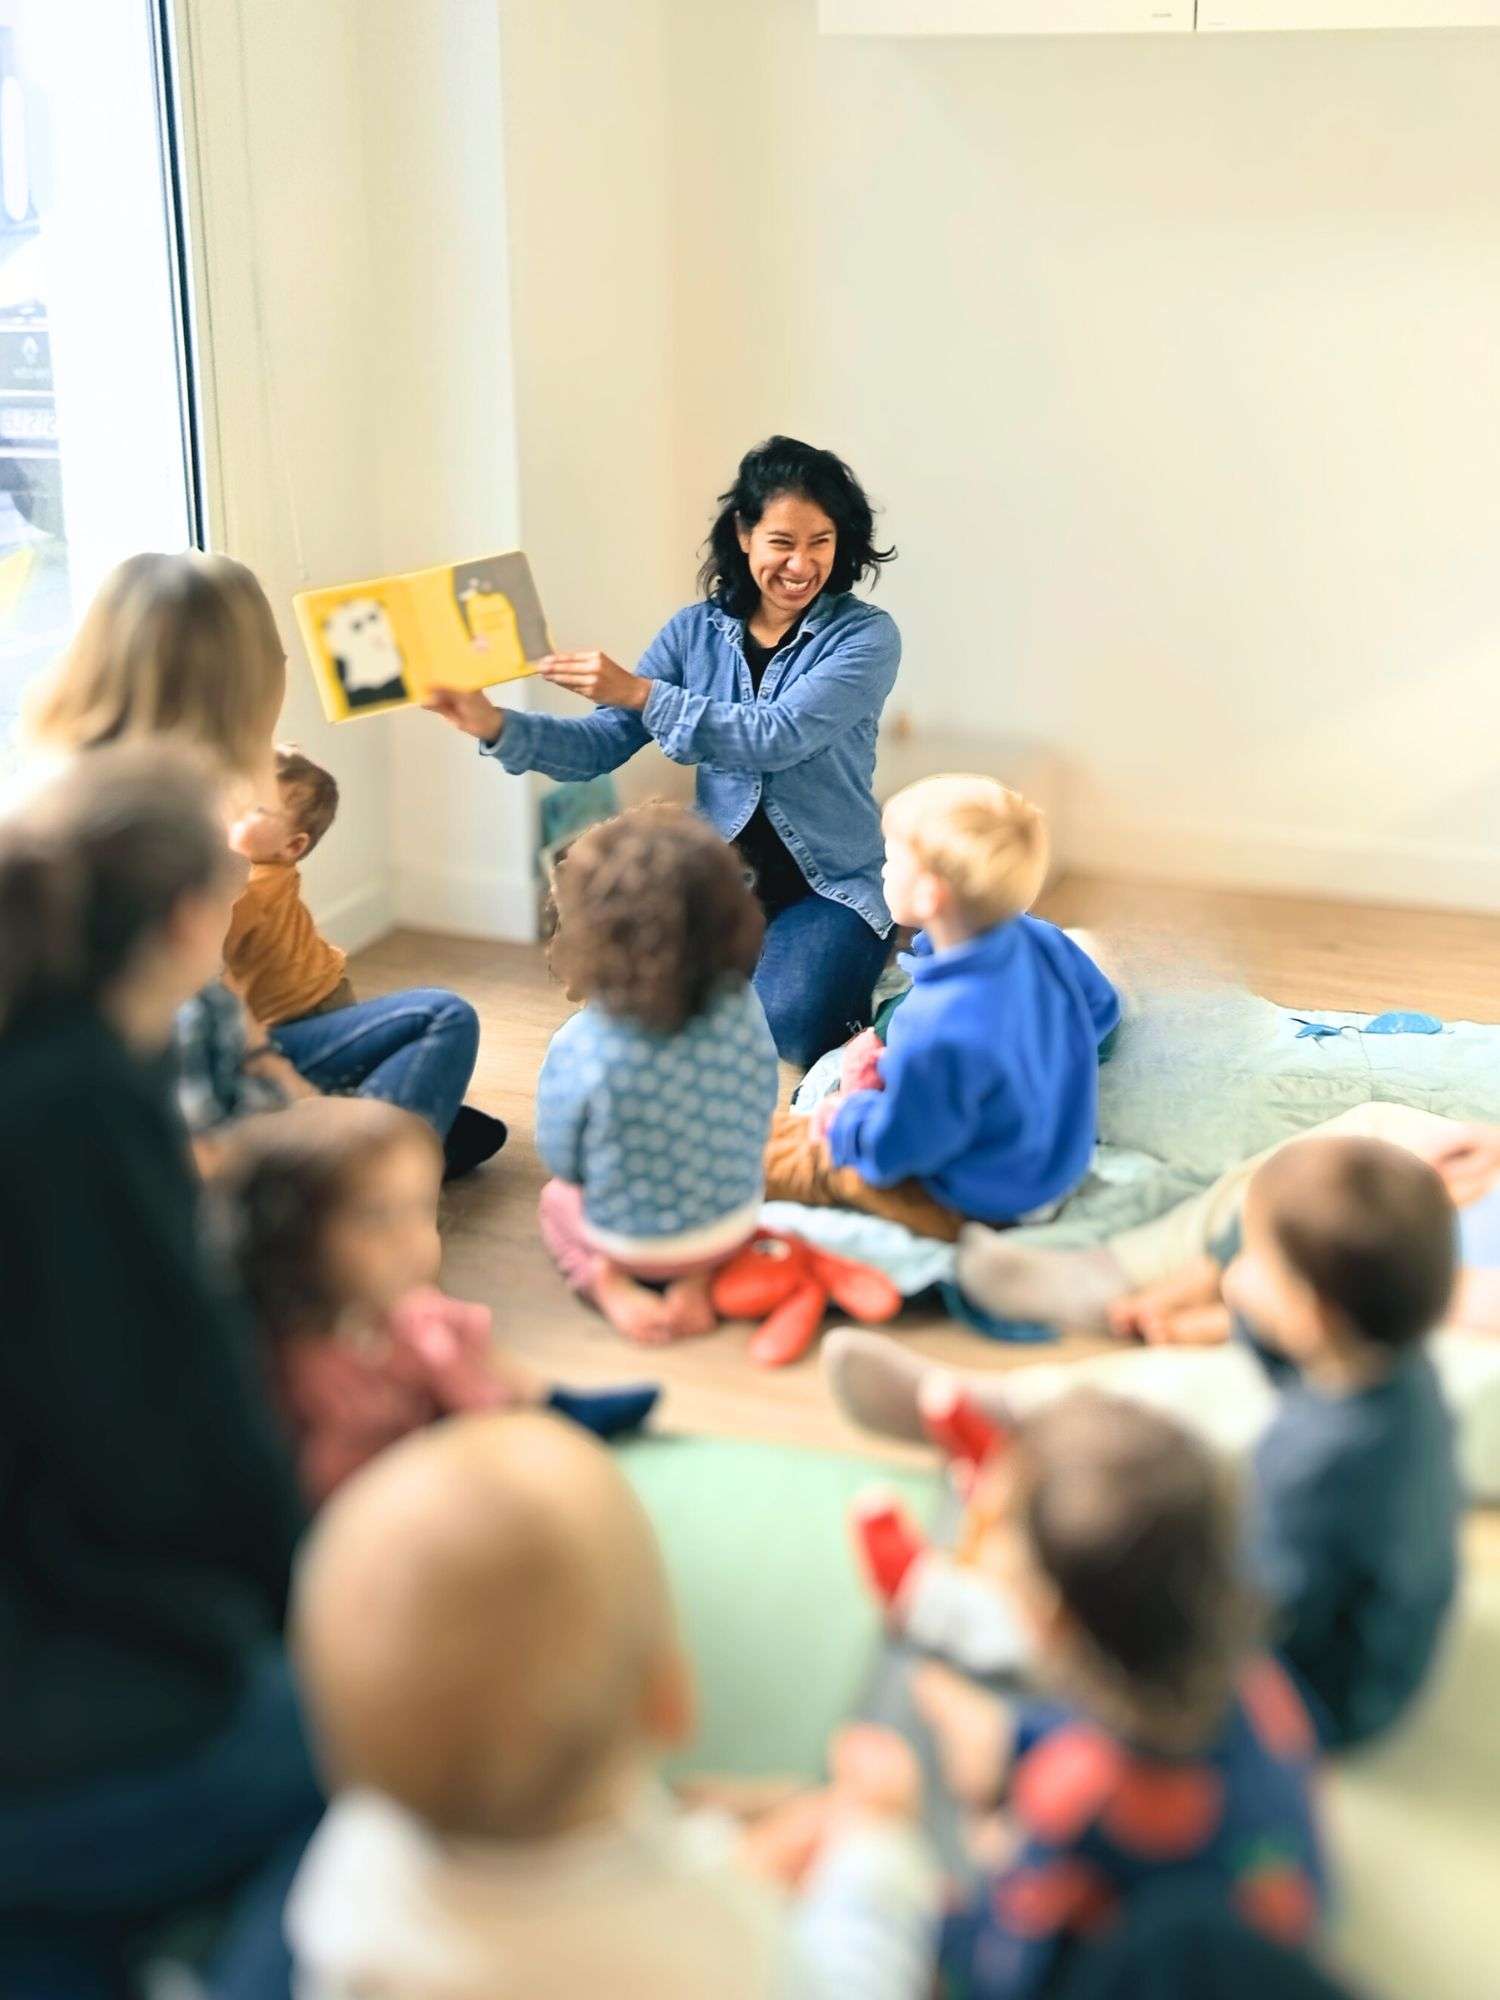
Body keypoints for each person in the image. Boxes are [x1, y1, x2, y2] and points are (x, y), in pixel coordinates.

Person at [0, 747, 320, 1999]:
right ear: (199, 915)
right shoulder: (78, 1105)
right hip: (44, 1704)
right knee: (393, 1733)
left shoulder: (47, 1054)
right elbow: (179, 1439)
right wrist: (322, 1597)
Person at [830, 1136, 1463, 1753]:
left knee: (1116, 1614)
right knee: (1168, 1413)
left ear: (1308, 1311)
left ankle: (941, 1611)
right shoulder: (1393, 1366)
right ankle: (1018, 1425)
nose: (1234, 1272)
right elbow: (1279, 1363)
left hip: (1315, 1698)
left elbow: (1233, 1627)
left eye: (1256, 1262)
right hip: (1348, 1624)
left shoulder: (1321, 1468)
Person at [286, 1411, 942, 1999]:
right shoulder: (713, 1947)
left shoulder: (349, 1876)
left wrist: (731, 1863)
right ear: (672, 1701)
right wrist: (876, 1858)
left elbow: (567, 1915)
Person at [24, 550, 505, 1177]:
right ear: (238, 686)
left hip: (212, 1100)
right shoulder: (148, 844)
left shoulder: (94, 801)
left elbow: (216, 1016)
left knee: (442, 1105)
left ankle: (377, 1144)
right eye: (276, 658)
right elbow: (175, 1102)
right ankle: (378, 1165)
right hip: (185, 1161)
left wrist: (280, 1078)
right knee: (442, 1035)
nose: (284, 671)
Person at [424, 436, 901, 1067]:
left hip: (832, 886)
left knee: (790, 1026)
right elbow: (599, 745)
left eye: (821, 542)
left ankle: (860, 971)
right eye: (783, 543)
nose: (802, 564)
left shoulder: (864, 635)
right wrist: (493, 725)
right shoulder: (691, 632)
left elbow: (777, 735)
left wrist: (641, 692)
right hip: (720, 882)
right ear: (743, 534)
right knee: (632, 999)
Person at [860, 1392, 1327, 1998]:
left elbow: (999, 1975)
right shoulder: (1259, 1678)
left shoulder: (1072, 1801)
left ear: (1054, 1621)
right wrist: (1014, 1739)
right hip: (1269, 1913)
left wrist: (940, 1857)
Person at [213, 1096, 661, 1503]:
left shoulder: (396, 1305)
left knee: (458, 1340)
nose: (411, 1239)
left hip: (437, 1430)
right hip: (388, 1499)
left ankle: (557, 1406)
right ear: (293, 1236)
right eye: (377, 1218)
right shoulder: (307, 1371)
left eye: (421, 1208)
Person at [762, 775, 1119, 1242]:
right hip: (1053, 1162)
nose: (883, 870)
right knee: (774, 1131)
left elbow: (901, 1148)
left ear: (931, 895)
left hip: (983, 1199)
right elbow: (1102, 1008)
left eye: (890, 858)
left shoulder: (938, 1028)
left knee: (782, 1157)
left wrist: (843, 1118)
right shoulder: (1040, 938)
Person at [535, 804, 781, 1344]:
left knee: (555, 1199)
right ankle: (696, 1280)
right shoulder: (741, 1003)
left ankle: (606, 1283)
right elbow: (764, 1099)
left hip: (633, 1242)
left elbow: (563, 1160)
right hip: (733, 1222)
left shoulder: (583, 1045)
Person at [224, 744, 355, 1028]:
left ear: (292, 845)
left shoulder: (253, 886)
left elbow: (212, 953)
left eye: (256, 809)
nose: (235, 809)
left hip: (309, 1007)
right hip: (321, 985)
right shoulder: (270, 867)